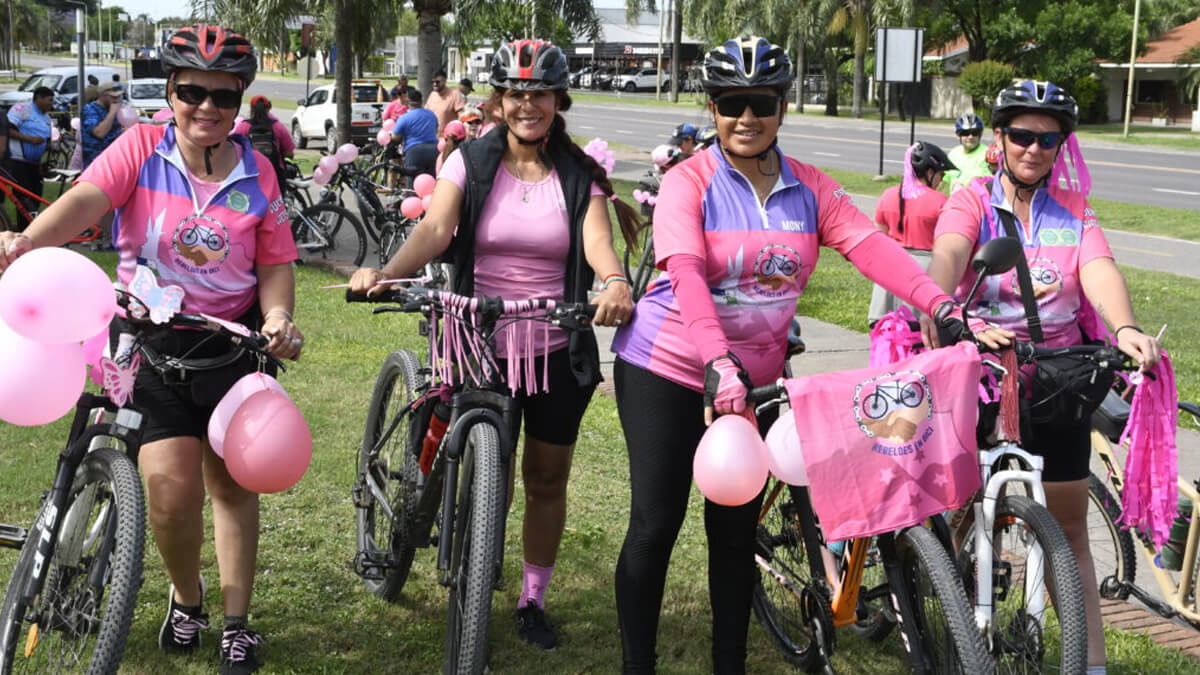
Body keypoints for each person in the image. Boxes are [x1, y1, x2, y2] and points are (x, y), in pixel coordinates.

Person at [609, 36, 959, 674]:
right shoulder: (690, 181)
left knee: (735, 532)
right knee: (656, 524)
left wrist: (937, 303)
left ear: (782, 106)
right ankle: (639, 665)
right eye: (731, 103)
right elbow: (685, 273)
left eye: (761, 103)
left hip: (757, 379)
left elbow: (871, 248)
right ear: (712, 107)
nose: (747, 117)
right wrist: (716, 360)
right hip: (669, 364)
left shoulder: (810, 188)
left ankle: (729, 666)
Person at [0, 24, 301, 675]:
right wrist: (30, 241)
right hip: (147, 346)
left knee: (231, 484)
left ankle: (237, 623)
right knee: (167, 491)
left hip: (230, 349)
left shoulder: (259, 173)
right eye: (192, 91)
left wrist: (278, 314)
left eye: (222, 96)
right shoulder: (140, 148)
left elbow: (276, 261)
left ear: (240, 99)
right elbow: (86, 199)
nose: (206, 107)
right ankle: (187, 599)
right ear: (171, 89)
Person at [348, 38, 638, 652]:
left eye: (539, 94)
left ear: (558, 101)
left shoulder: (577, 175)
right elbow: (436, 228)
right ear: (500, 99)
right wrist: (389, 274)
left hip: (558, 343)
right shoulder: (468, 163)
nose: (527, 104)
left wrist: (613, 281)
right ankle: (456, 547)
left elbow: (598, 244)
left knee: (546, 476)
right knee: (489, 470)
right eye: (515, 93)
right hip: (478, 338)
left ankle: (532, 598)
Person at [922, 80, 1162, 675]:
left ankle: (1092, 667)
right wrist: (946, 308)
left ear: (1061, 146)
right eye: (1022, 136)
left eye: (1048, 139)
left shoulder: (1074, 211)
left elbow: (1099, 268)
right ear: (999, 138)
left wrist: (1126, 328)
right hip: (980, 370)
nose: (1034, 148)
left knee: (1072, 530)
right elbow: (949, 255)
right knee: (959, 507)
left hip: (1055, 379)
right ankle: (943, 602)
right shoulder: (971, 200)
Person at [866, 140, 956, 324]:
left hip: (889, 271)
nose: (941, 181)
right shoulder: (941, 201)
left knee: (887, 333)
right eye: (941, 174)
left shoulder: (888, 195)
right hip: (923, 271)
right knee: (918, 338)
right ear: (930, 172)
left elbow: (878, 235)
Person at [3, 87, 55, 230]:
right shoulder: (22, 109)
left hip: (35, 164)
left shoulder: (46, 117)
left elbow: (47, 139)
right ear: (39, 98)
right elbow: (7, 129)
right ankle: (23, 230)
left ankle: (30, 229)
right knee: (24, 199)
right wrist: (29, 139)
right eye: (49, 100)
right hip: (18, 161)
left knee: (35, 197)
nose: (52, 104)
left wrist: (49, 147)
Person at [232, 95, 295, 194]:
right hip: (274, 173)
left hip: (250, 173)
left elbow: (234, 148)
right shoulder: (277, 126)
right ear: (268, 108)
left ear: (251, 109)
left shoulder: (244, 126)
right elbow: (289, 152)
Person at [389, 89, 439, 179]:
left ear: (408, 101)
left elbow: (395, 137)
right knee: (432, 180)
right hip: (434, 150)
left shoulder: (404, 118)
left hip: (414, 152)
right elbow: (435, 130)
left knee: (413, 183)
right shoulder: (432, 115)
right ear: (421, 101)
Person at [80, 82, 126, 168]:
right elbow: (99, 133)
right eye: (113, 97)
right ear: (102, 95)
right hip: (96, 162)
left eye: (119, 97)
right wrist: (112, 113)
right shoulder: (90, 109)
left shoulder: (116, 109)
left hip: (114, 159)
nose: (116, 101)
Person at [945, 112, 992, 193]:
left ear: (980, 135)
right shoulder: (953, 154)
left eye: (974, 133)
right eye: (965, 133)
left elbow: (990, 181)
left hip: (975, 202)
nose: (970, 137)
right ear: (958, 135)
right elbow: (945, 181)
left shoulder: (987, 154)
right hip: (953, 202)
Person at [426, 69, 466, 135]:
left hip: (448, 138)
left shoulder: (455, 94)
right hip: (431, 137)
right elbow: (426, 114)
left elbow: (462, 117)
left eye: (437, 82)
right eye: (432, 82)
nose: (435, 84)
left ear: (445, 81)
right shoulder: (432, 95)